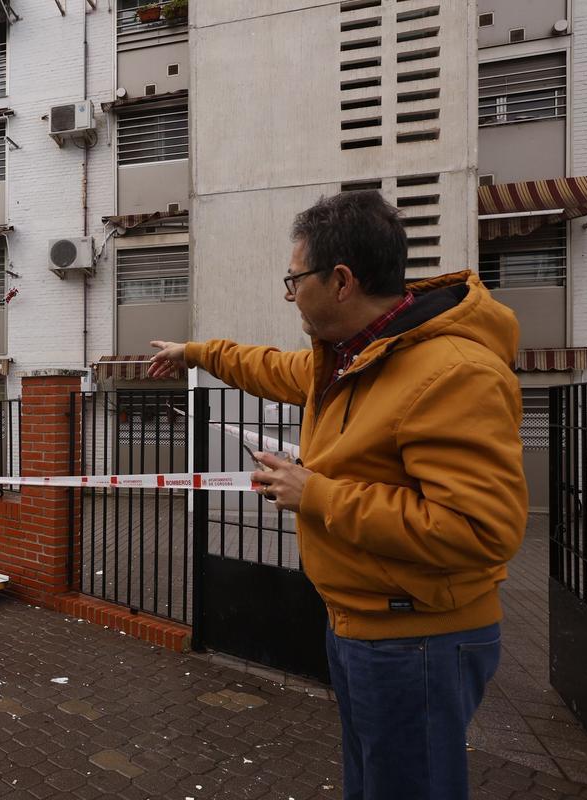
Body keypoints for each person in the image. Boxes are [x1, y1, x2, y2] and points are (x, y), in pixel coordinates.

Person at [149, 191, 527, 800]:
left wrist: (316, 493)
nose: (290, 291)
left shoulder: (452, 372)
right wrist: (193, 353)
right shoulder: (354, 359)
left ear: (342, 280)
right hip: (362, 623)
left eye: (294, 278)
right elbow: (269, 367)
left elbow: (479, 530)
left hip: (419, 639)